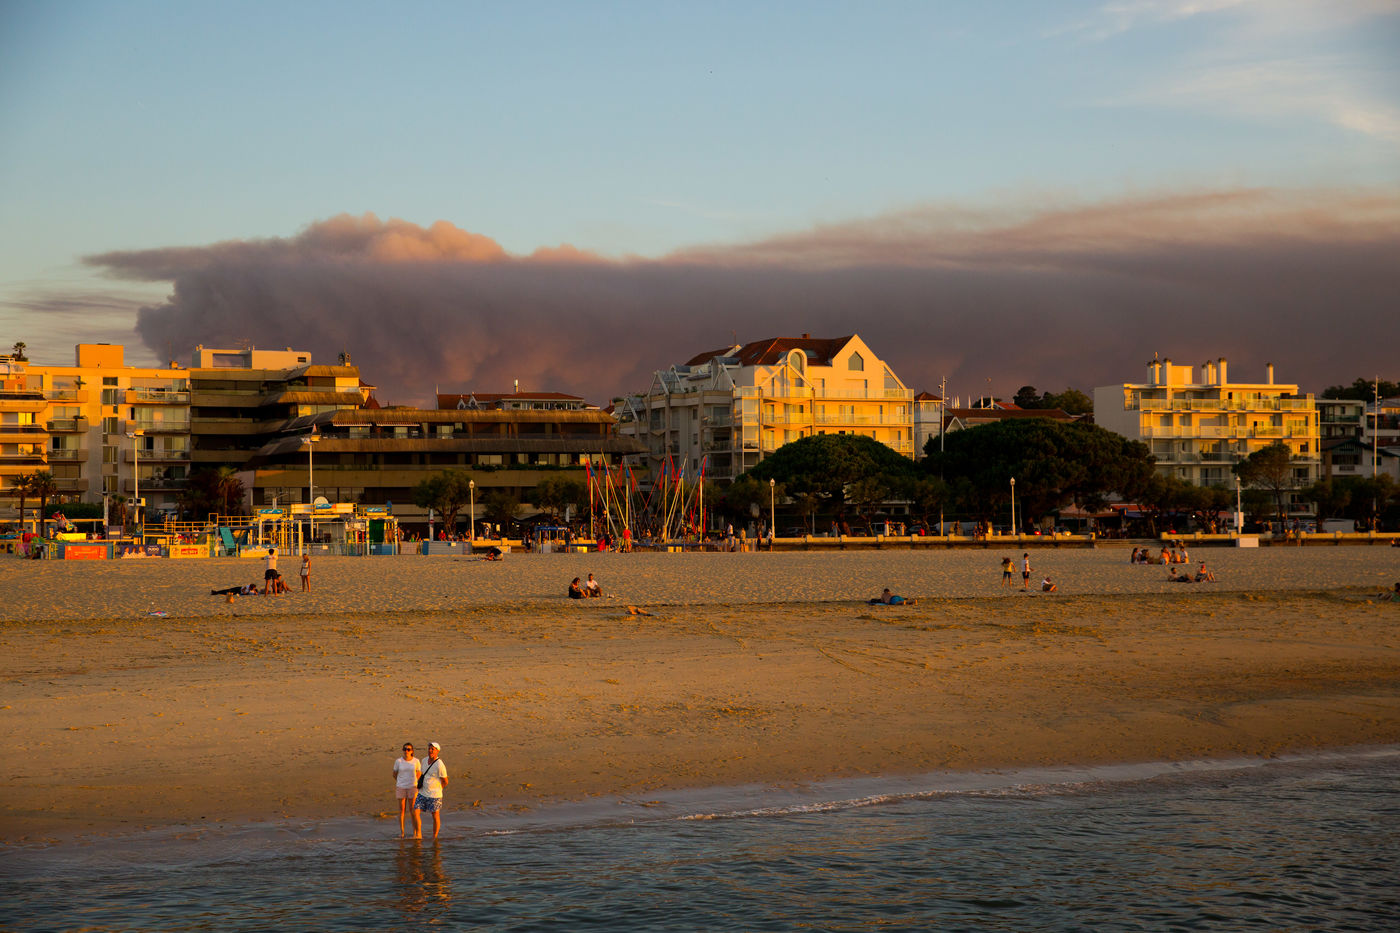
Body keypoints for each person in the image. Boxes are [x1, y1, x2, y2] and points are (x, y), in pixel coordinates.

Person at [412, 742, 449, 840]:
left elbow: (445, 781)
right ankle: (419, 834)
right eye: (429, 748)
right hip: (422, 792)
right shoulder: (424, 760)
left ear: (437, 751)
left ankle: (434, 837)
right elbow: (421, 774)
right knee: (415, 811)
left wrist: (439, 789)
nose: (430, 751)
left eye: (433, 749)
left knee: (435, 815)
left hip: (435, 795)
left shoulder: (440, 764)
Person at [393, 742, 422, 837]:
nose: (406, 751)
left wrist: (413, 781)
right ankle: (402, 832)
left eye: (408, 749)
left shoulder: (416, 761)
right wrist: (401, 781)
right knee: (402, 810)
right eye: (405, 749)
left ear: (412, 751)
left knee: (413, 810)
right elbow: (394, 774)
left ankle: (415, 832)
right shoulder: (398, 761)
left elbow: (419, 773)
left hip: (412, 787)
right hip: (401, 787)